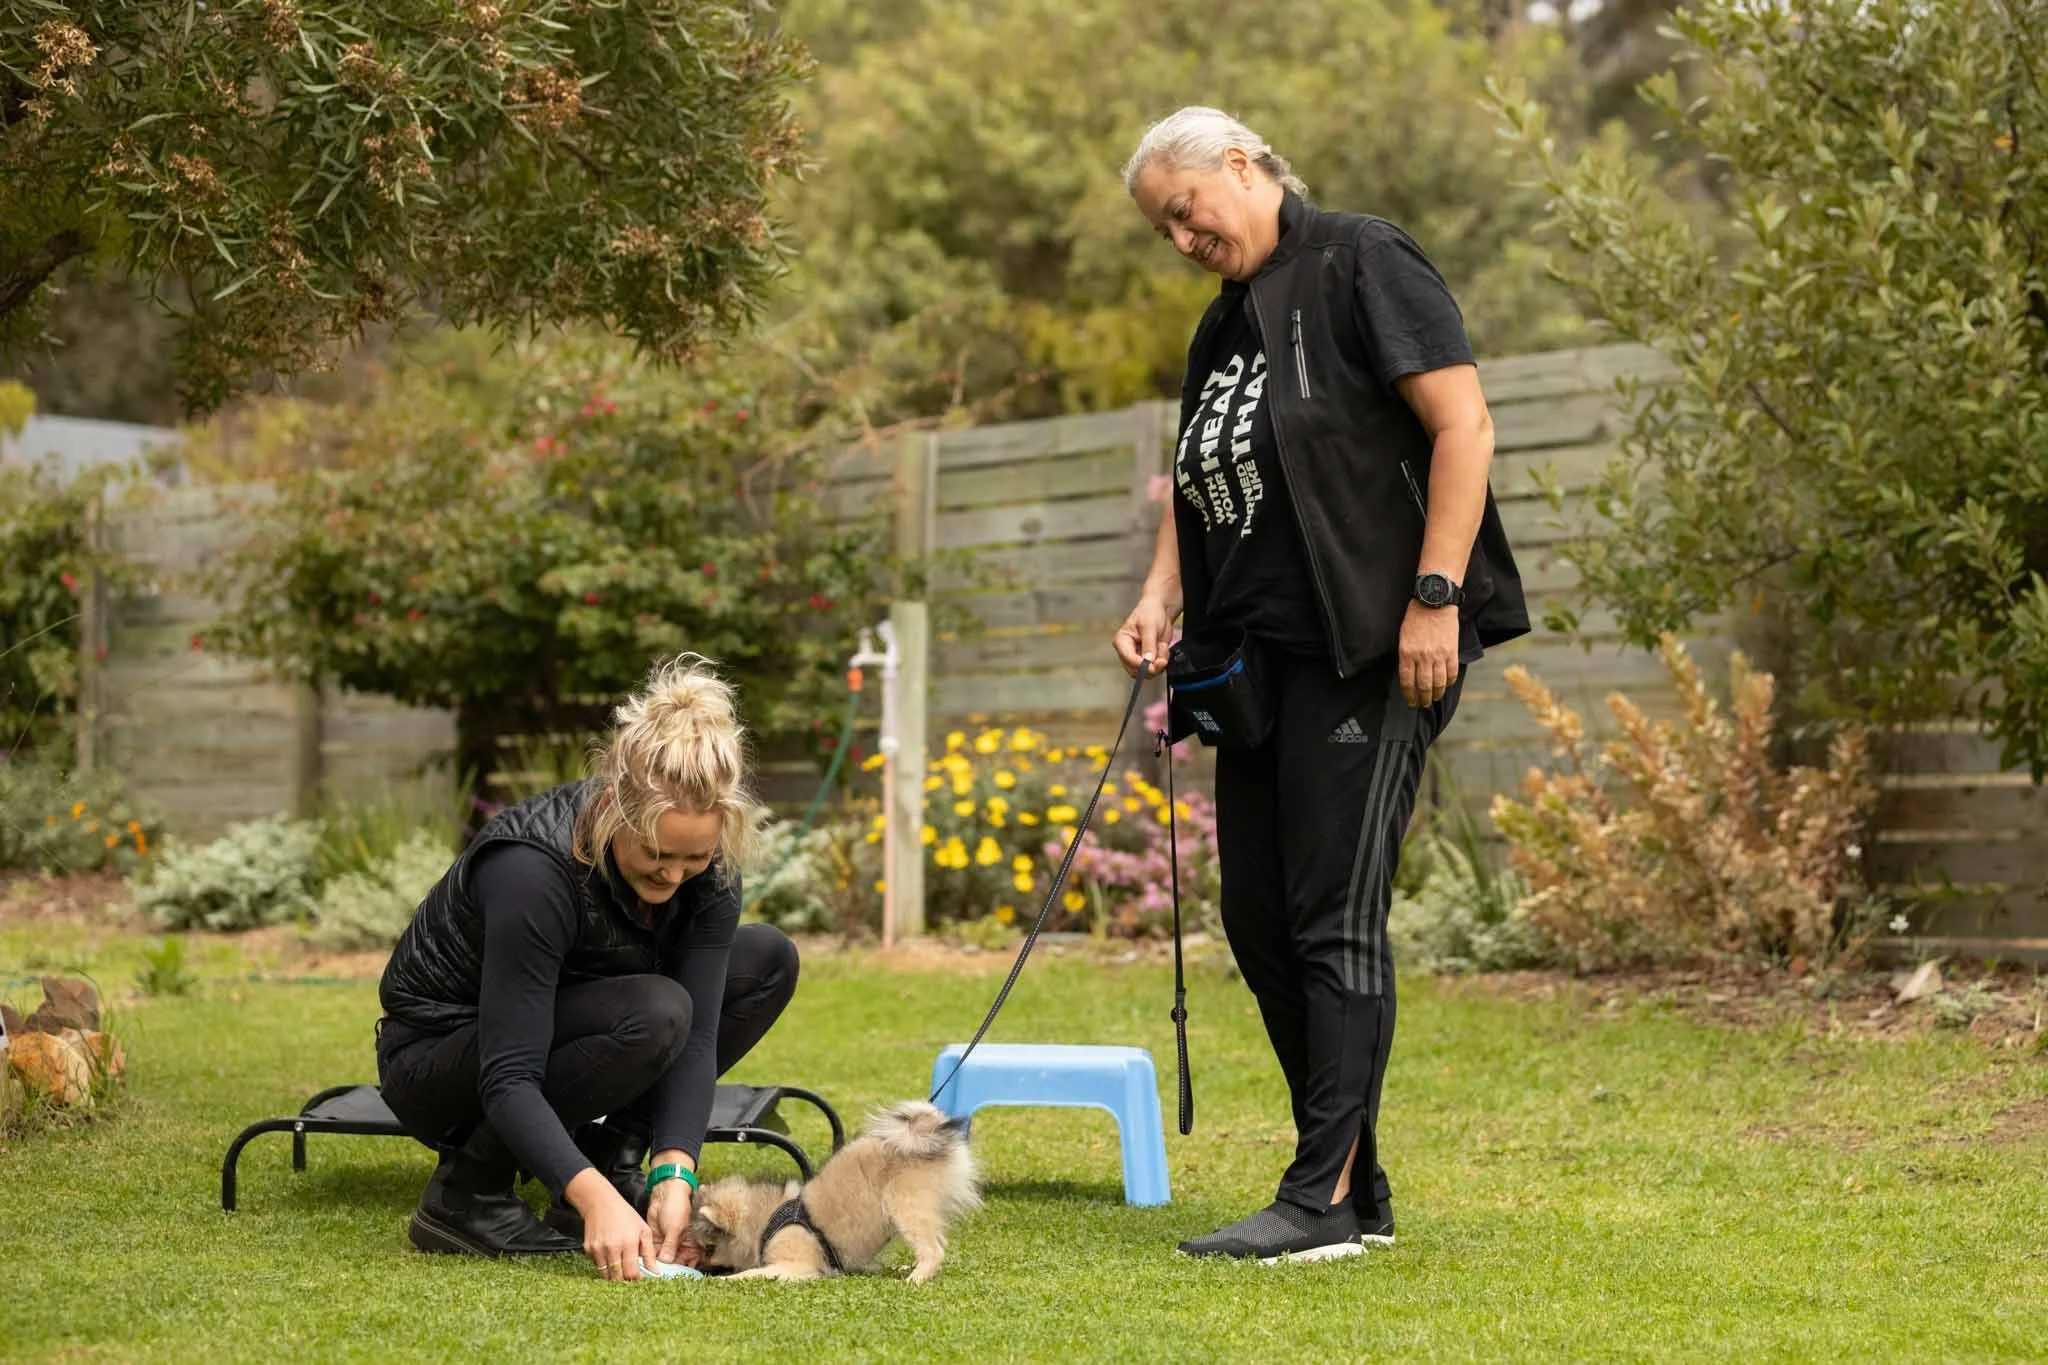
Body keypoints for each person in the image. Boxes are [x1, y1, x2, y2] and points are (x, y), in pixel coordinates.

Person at [1113, 107, 1530, 1262]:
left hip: (1372, 644)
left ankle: (1318, 1199)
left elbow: (1463, 423)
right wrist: (1162, 595)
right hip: (1252, 663)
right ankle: (1353, 1183)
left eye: (1185, 213)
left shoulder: (1360, 258)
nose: (1181, 240)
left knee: (1330, 916)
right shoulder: (1221, 327)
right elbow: (1196, 476)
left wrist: (1433, 598)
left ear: (1239, 165)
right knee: (1258, 923)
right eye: (1163, 231)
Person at [374, 654, 799, 1282]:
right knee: (656, 1012)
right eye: (656, 853)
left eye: (694, 858)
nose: (674, 875)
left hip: (583, 1027)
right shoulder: (531, 871)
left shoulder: (708, 865)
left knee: (765, 961)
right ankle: (468, 1194)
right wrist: (592, 1198)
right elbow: (509, 1074)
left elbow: (700, 1037)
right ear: (614, 810)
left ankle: (613, 1157)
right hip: (442, 1061)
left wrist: (673, 1173)